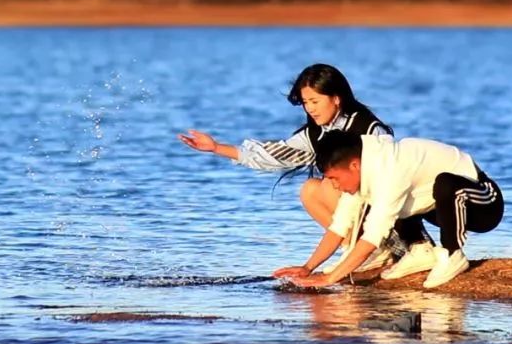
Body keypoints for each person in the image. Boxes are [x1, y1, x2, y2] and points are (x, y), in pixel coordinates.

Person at [178, 63, 431, 272]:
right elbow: (274, 156)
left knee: (333, 188)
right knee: (310, 189)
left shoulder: (369, 129)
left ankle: (396, 248)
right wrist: (216, 147)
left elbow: (394, 177)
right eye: (305, 103)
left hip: (393, 211)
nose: (309, 108)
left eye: (314, 101)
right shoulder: (315, 133)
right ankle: (364, 252)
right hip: (358, 210)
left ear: (335, 98)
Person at [277, 130, 503, 289]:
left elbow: (373, 237)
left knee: (443, 183)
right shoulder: (366, 170)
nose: (334, 185)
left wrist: (330, 279)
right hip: (441, 205)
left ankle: (453, 254)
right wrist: (307, 267)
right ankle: (420, 250)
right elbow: (339, 226)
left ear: (354, 165)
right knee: (390, 202)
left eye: (335, 178)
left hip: (483, 202)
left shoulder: (390, 169)